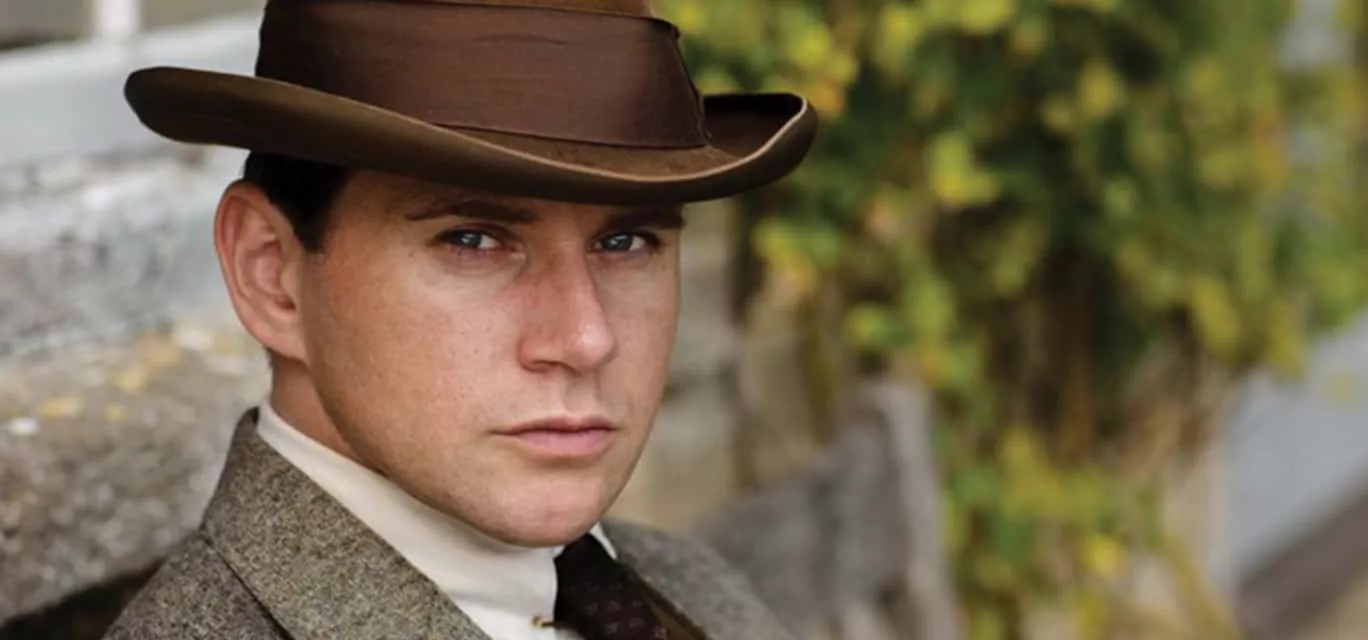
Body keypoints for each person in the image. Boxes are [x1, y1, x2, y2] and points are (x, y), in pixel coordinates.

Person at [102, 0, 816, 638]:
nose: (586, 338)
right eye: (473, 241)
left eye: (626, 242)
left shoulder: (693, 587)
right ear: (272, 274)